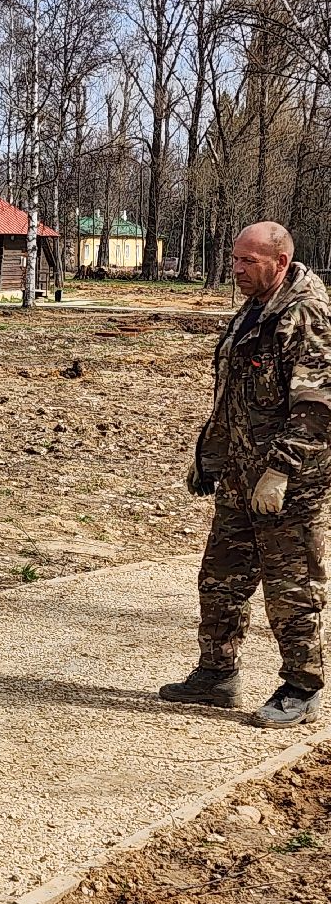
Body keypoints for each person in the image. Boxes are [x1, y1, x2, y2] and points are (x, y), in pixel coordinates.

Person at [165, 221, 331, 727]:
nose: (235, 269)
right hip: (241, 472)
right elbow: (235, 390)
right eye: (235, 259)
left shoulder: (306, 315)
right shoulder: (257, 307)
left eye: (248, 261)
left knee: (291, 587)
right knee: (220, 579)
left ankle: (301, 687)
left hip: (291, 482)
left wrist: (280, 471)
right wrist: (210, 455)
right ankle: (216, 675)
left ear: (279, 262)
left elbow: (319, 407)